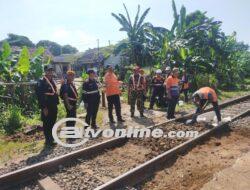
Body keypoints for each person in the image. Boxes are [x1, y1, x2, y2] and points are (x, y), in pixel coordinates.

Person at [36, 65, 59, 146]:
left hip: (53, 105)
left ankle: (52, 138)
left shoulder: (52, 81)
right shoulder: (41, 81)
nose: (50, 72)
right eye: (48, 71)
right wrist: (43, 107)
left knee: (53, 122)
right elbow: (40, 96)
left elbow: (54, 93)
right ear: (45, 71)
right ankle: (48, 140)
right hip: (47, 106)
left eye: (51, 71)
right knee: (47, 123)